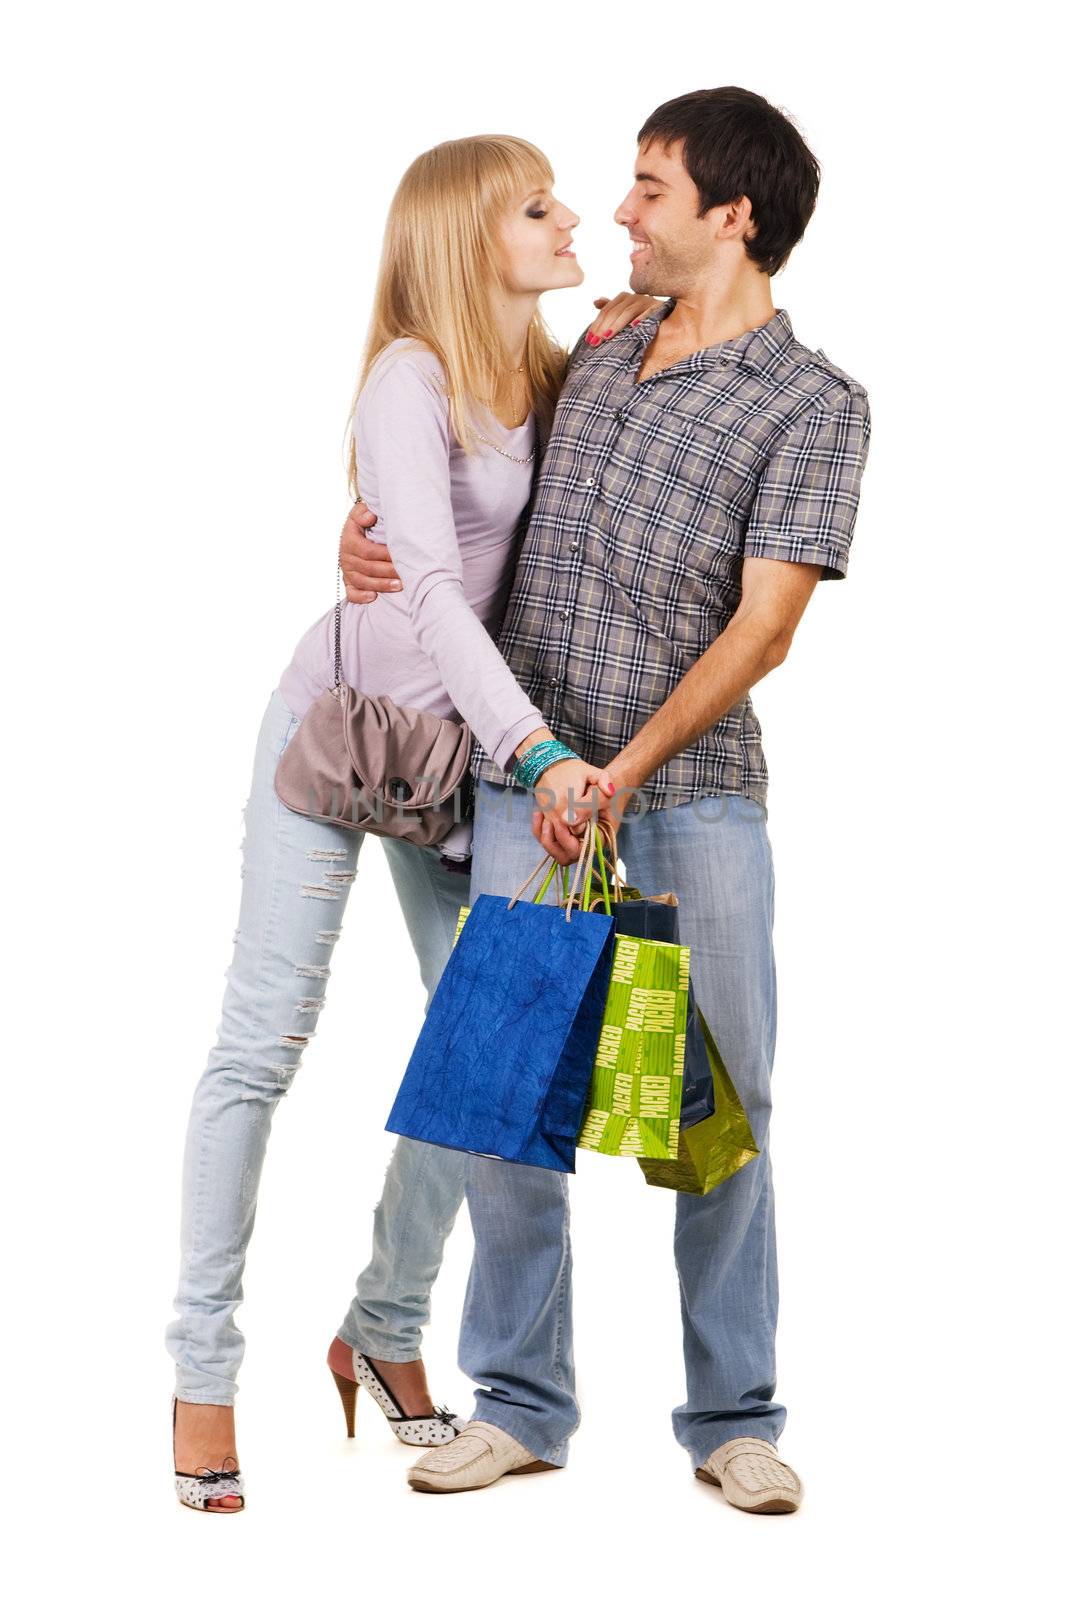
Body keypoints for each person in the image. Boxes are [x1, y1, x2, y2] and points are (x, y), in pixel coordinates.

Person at [340, 87, 871, 1513]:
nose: (620, 210)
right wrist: (371, 524)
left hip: (688, 805)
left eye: (648, 187)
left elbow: (764, 630)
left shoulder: (815, 407)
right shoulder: (600, 342)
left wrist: (617, 774)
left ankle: (733, 1419)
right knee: (510, 1098)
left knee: (720, 1106)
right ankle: (520, 1404)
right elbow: (465, 482)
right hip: (528, 796)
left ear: (731, 216)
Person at [166, 132, 635, 1512]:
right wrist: (540, 746)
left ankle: (381, 1322)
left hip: (457, 758)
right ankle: (200, 1371)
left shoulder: (551, 379)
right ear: (463, 235)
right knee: (264, 1041)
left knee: (484, 1053)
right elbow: (427, 591)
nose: (571, 222)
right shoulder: (407, 375)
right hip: (343, 732)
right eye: (538, 207)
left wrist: (632, 323)